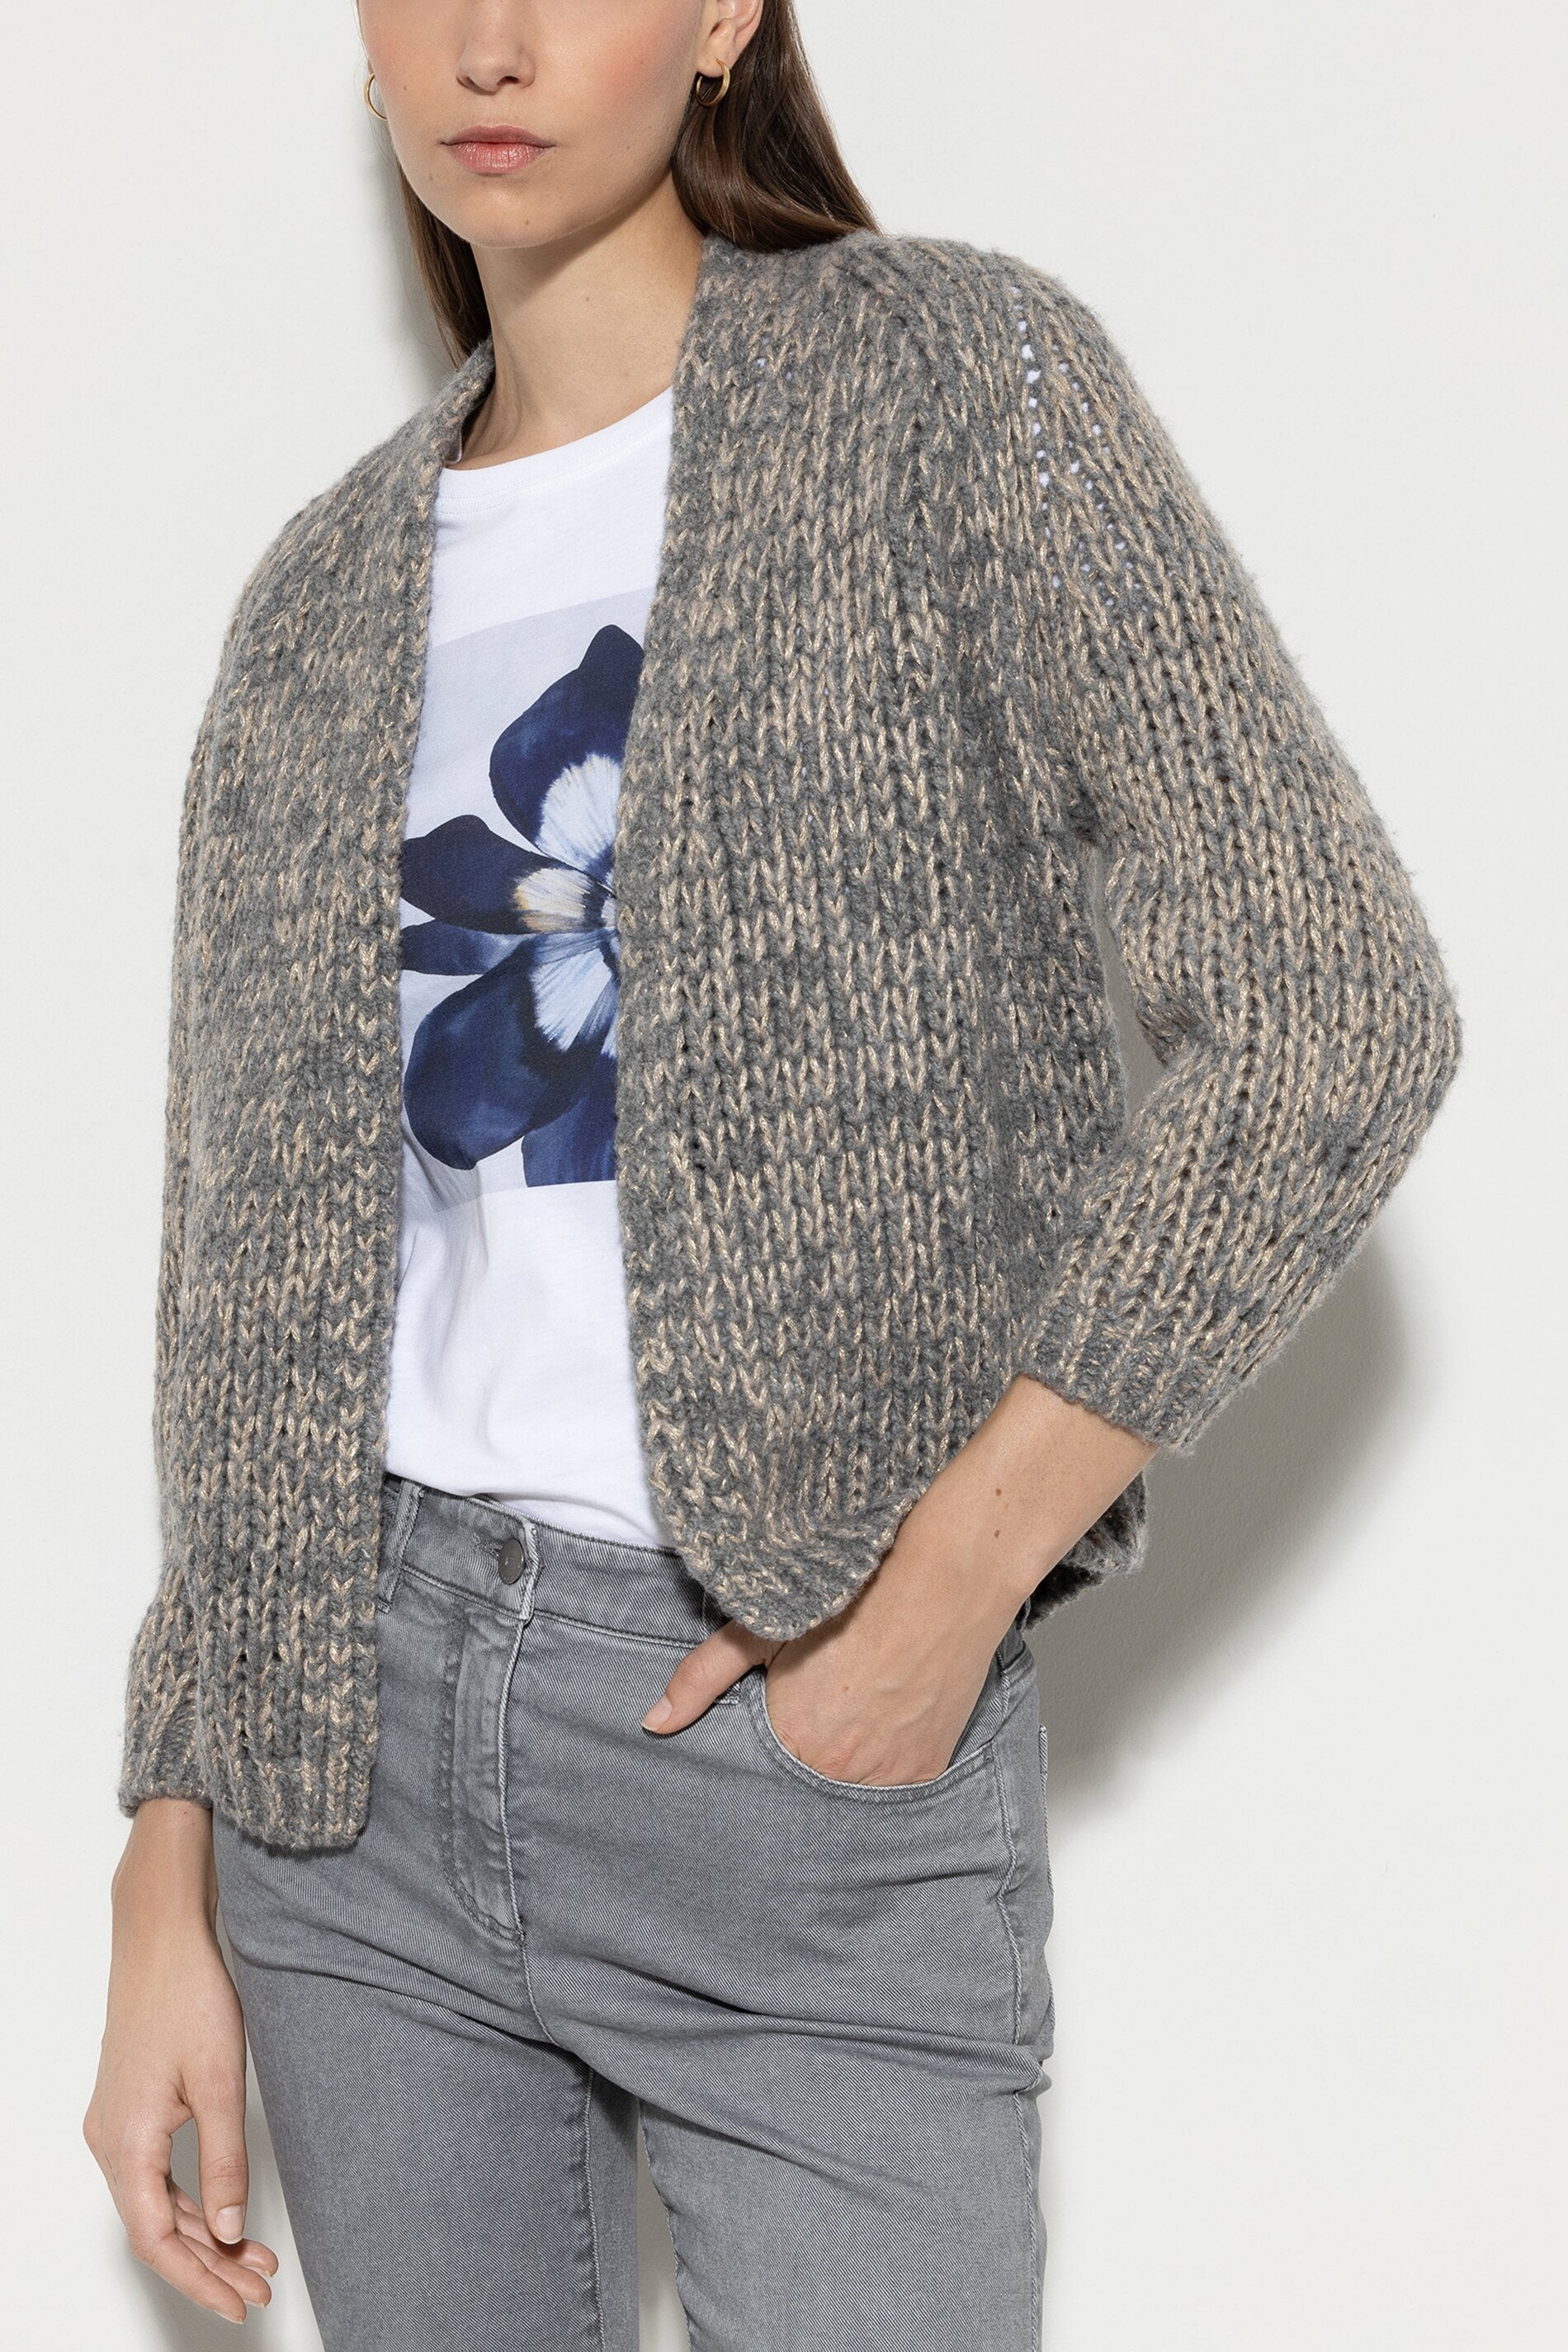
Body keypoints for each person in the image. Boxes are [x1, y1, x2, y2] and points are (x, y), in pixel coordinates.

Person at [83, 2, 1463, 2345]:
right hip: (354, 1788)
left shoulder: (950, 386)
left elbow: (1334, 1006)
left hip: (795, 1770)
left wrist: (944, 1589)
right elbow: (237, 1289)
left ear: (725, 11)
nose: (491, 41)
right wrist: (164, 1871)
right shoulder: (317, 593)